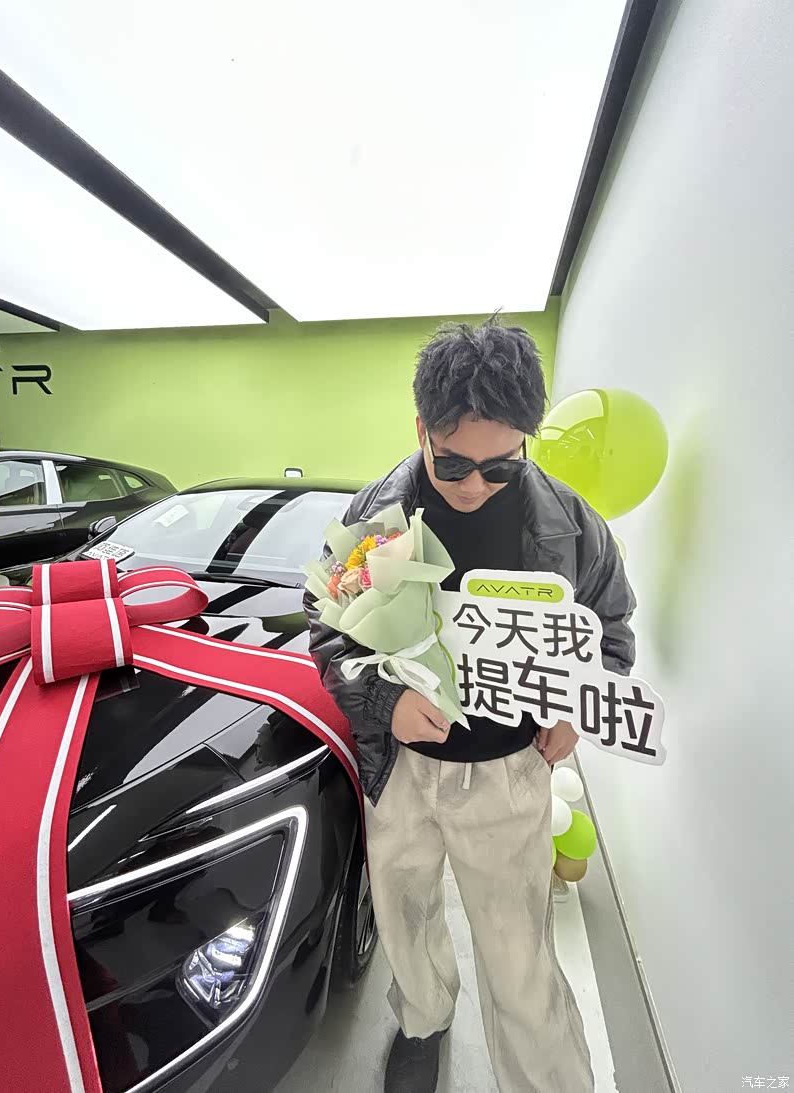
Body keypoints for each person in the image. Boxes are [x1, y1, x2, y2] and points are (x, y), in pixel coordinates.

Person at [305, 317, 636, 1093]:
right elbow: (327, 633)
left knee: (520, 954)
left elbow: (611, 631)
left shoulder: (567, 524)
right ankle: (424, 1021)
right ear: (421, 428)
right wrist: (384, 700)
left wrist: (574, 701)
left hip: (507, 774)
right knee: (406, 919)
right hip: (400, 772)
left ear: (527, 442)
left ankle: (547, 1079)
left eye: (502, 467)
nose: (474, 484)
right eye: (453, 462)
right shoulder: (374, 517)